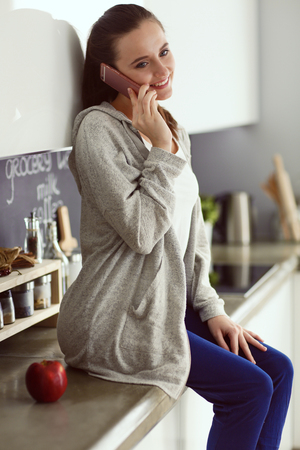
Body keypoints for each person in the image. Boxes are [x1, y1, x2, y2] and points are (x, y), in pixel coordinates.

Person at [57, 4, 293, 449]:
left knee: (278, 371)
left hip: (164, 304)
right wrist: (162, 152)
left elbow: (190, 235)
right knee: (249, 389)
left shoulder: (171, 128)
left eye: (164, 52)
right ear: (110, 74)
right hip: (113, 317)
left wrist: (212, 309)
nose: (162, 70)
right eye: (141, 64)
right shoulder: (97, 132)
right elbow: (143, 232)